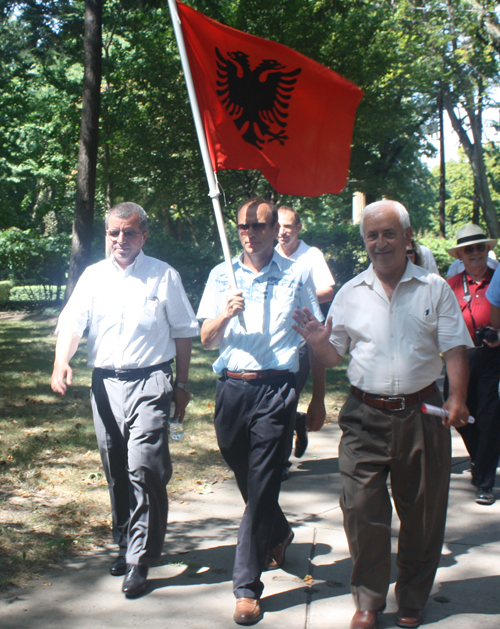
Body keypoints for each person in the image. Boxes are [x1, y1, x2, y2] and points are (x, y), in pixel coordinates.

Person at [293, 200, 472, 629]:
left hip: (423, 413)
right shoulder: (351, 292)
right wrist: (319, 341)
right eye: (372, 235)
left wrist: (458, 399)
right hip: (364, 415)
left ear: (407, 237)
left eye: (389, 233)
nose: (380, 243)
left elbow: (455, 347)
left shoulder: (434, 288)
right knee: (360, 510)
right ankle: (369, 600)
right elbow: (334, 355)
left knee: (422, 513)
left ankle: (411, 595)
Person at [51, 202, 199, 598]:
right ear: (107, 235)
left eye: (129, 233)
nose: (121, 240)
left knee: (145, 467)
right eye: (114, 233)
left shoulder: (163, 275)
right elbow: (72, 322)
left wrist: (181, 385)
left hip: (150, 381)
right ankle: (125, 542)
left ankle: (140, 558)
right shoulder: (93, 276)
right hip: (104, 383)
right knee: (116, 465)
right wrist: (61, 362)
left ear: (144, 236)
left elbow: (184, 331)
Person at [197, 197, 325, 626]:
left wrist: (317, 398)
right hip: (232, 389)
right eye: (243, 227)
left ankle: (246, 588)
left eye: (259, 226)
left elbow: (314, 337)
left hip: (276, 390)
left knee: (263, 480)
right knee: (245, 472)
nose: (250, 234)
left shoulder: (297, 275)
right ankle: (280, 531)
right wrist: (224, 314)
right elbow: (206, 339)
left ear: (277, 230)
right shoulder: (221, 276)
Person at [276, 206, 334, 475]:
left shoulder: (311, 256)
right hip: (273, 338)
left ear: (298, 228)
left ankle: (280, 461)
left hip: (302, 337)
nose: (281, 231)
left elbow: (328, 290)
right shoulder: (269, 254)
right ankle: (297, 422)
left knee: (288, 394)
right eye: (277, 226)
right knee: (278, 398)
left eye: (287, 226)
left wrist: (297, 296)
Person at [447, 224, 500, 505]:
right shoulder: (451, 286)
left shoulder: (499, 281)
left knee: (490, 418)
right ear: (461, 255)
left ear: (487, 250)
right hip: (460, 357)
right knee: (460, 417)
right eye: (470, 249)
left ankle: (484, 481)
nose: (476, 253)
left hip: (492, 357)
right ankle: (482, 459)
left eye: (481, 247)